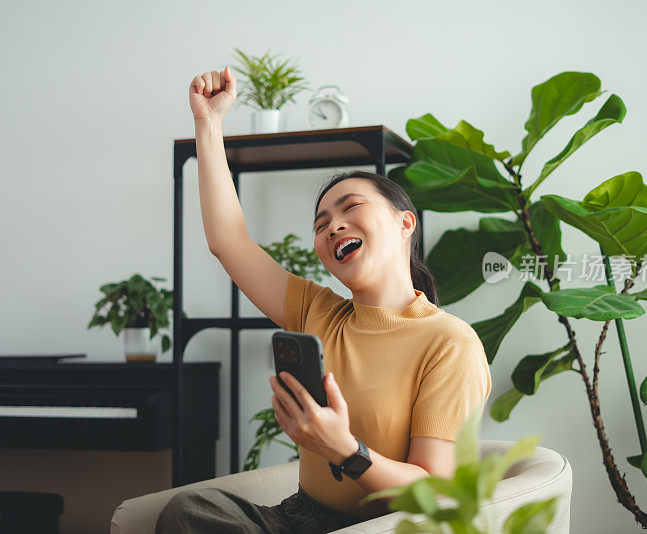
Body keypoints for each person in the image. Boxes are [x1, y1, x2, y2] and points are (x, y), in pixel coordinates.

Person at [154, 66, 492, 534]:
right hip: (299, 517)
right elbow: (228, 241)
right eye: (321, 223)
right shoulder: (318, 311)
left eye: (351, 207)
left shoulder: (450, 343)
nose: (333, 226)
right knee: (189, 511)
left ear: (405, 223)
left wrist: (346, 451)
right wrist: (208, 125)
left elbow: (433, 491)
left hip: (379, 529)